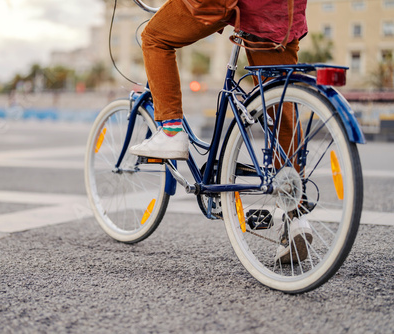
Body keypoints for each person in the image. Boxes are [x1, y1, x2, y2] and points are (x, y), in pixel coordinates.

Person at [129, 0, 312, 263]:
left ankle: (170, 129)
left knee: (154, 37)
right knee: (280, 100)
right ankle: (296, 215)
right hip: (282, 10)